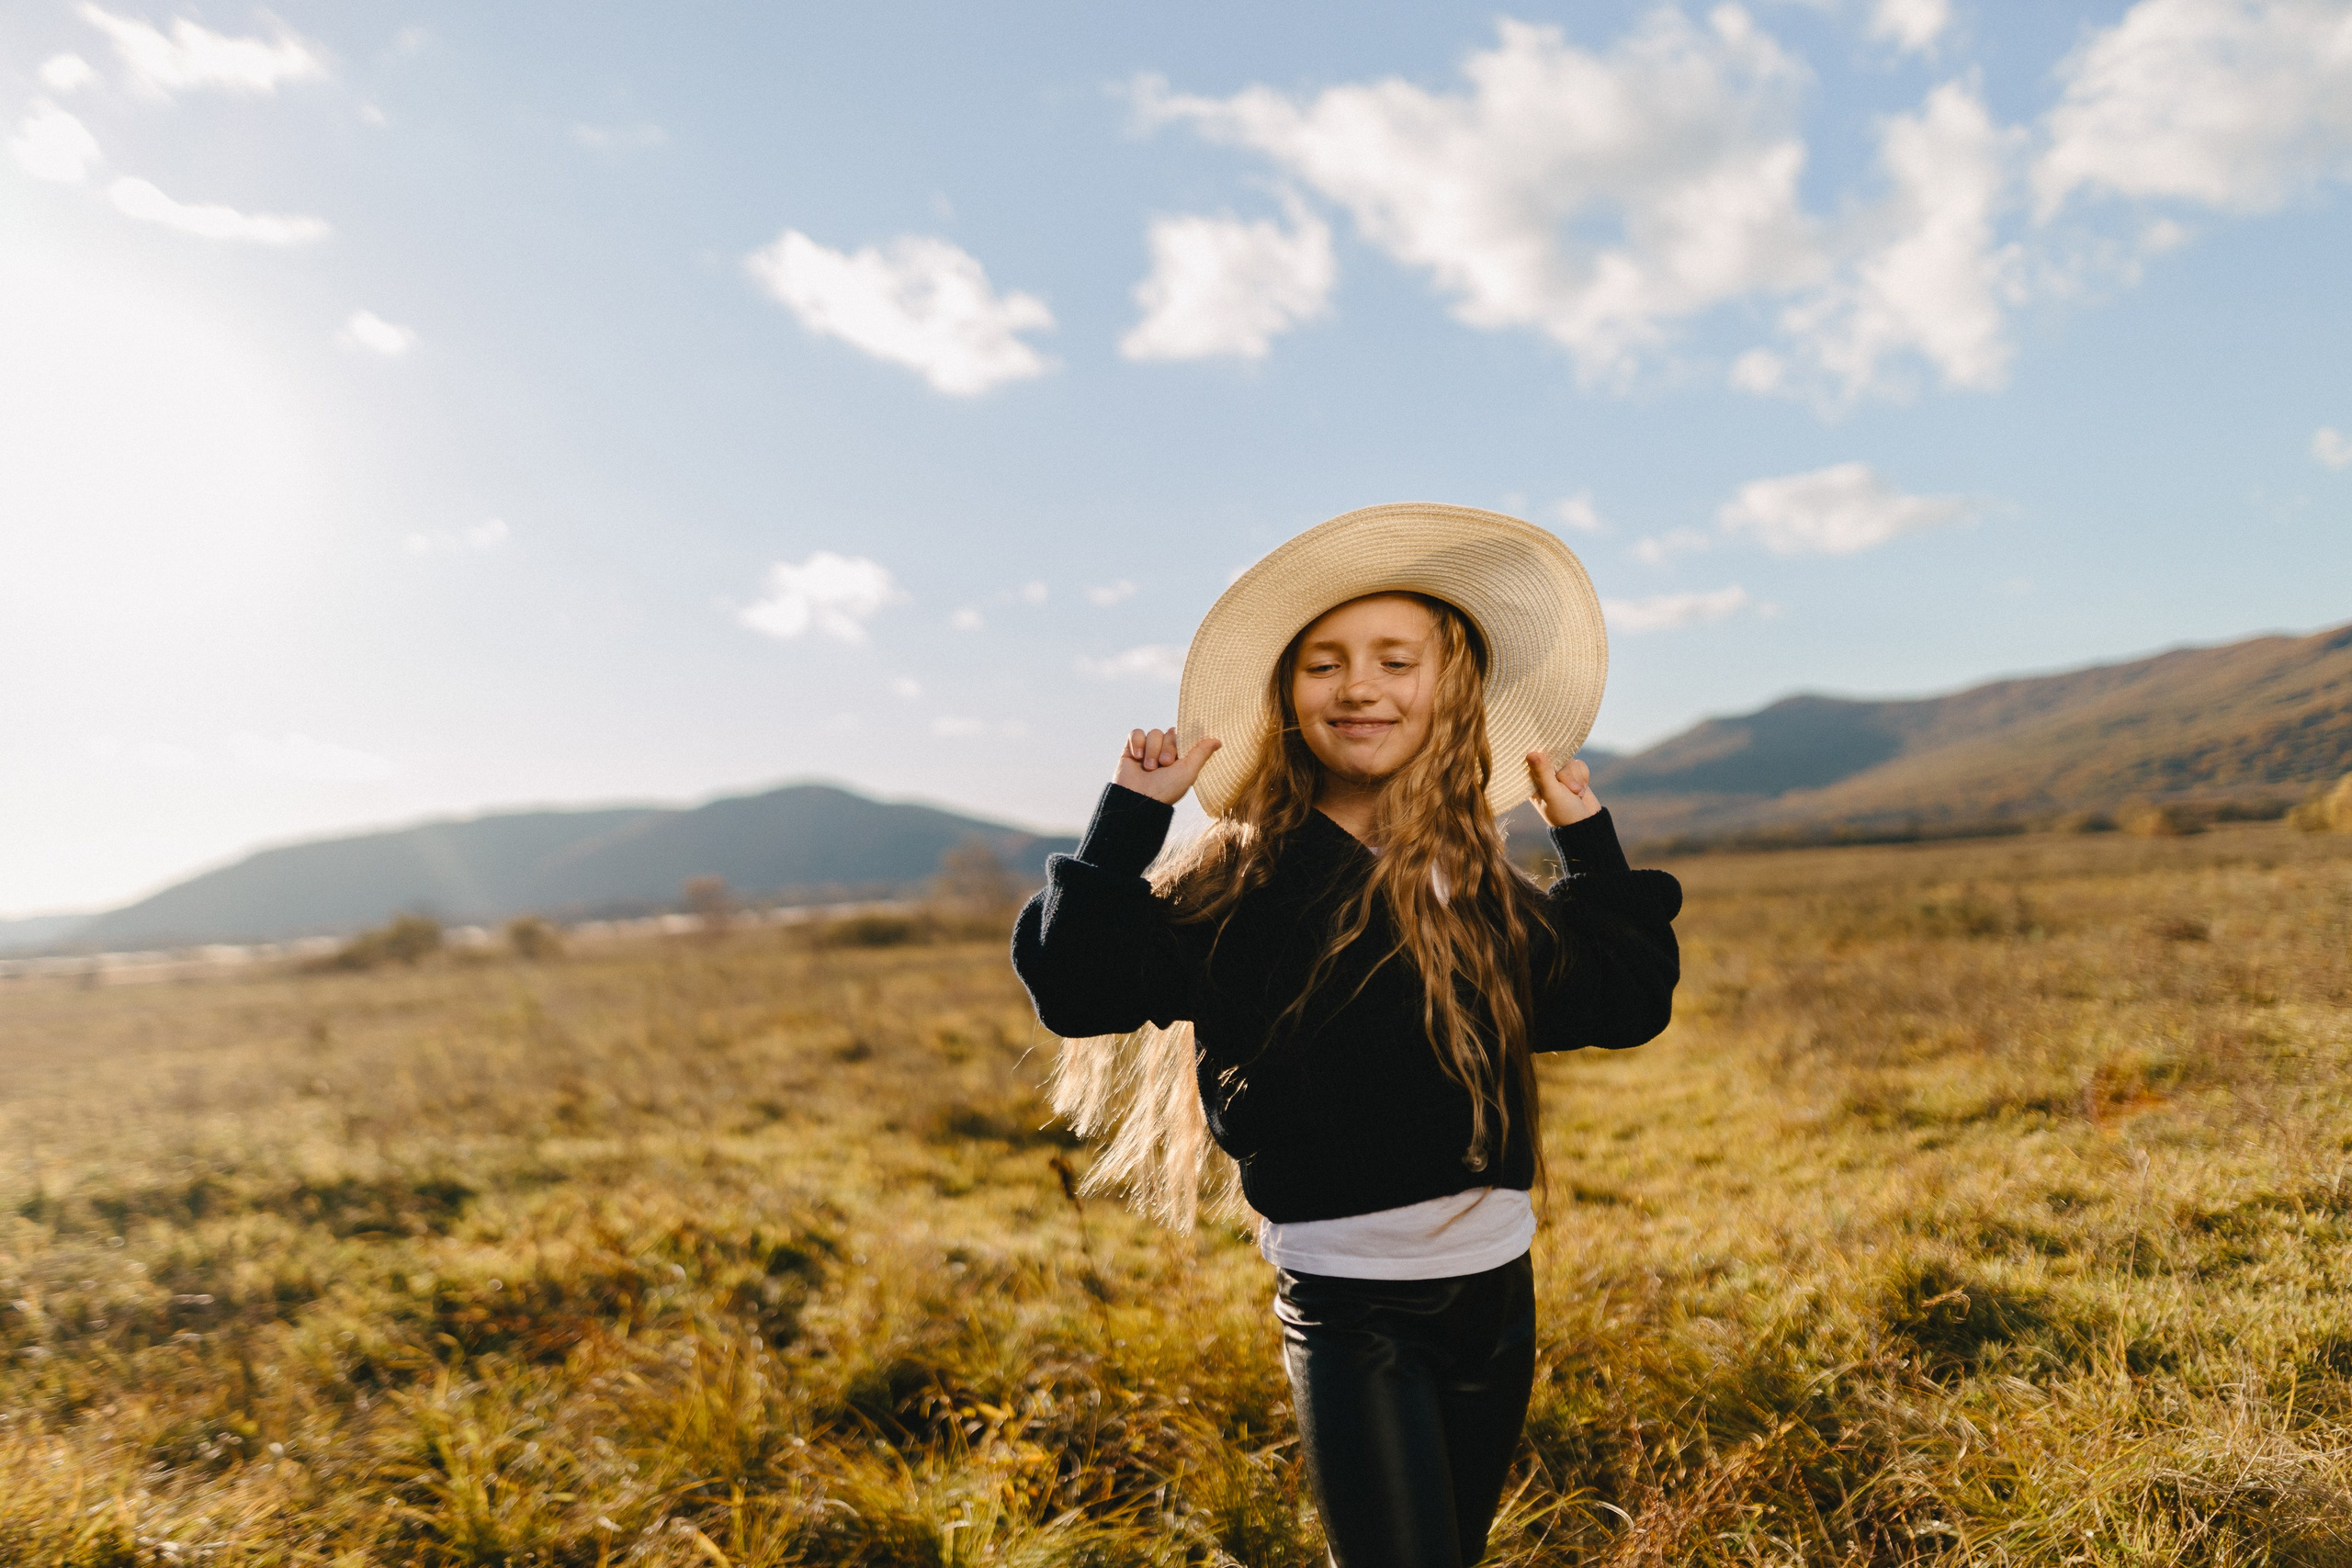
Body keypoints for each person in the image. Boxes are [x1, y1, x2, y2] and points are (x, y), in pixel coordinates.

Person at [1012, 503, 1683, 1568]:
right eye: (1323, 664)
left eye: (1393, 659)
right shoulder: (1238, 886)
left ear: (1450, 690)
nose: (1359, 685)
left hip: (1497, 1297)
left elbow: (1622, 998)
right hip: (1350, 1312)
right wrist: (1131, 817)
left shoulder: (1478, 887)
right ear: (1287, 698)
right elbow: (1079, 985)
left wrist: (1585, 843)